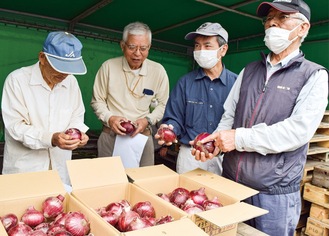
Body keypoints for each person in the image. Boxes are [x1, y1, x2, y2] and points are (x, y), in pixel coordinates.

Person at [191, 1, 329, 235]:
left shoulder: (314, 75)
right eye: (269, 18)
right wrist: (216, 144)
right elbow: (230, 116)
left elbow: (297, 132)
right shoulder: (248, 71)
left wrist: (239, 138)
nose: (272, 22)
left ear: (303, 28)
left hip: (274, 195)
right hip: (233, 185)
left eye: (283, 17)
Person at [1, 31, 90, 186]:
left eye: (70, 68)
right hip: (25, 170)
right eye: (60, 67)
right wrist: (50, 138)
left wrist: (78, 134)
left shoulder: (71, 82)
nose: (65, 74)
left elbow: (77, 115)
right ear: (42, 58)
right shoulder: (17, 80)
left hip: (60, 168)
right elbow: (15, 127)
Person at [155, 22, 237, 174]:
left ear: (223, 50)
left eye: (207, 46)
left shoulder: (237, 83)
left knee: (222, 196)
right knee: (188, 195)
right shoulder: (185, 82)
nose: (200, 50)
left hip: (225, 156)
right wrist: (169, 128)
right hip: (191, 155)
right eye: (197, 46)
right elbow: (174, 117)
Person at [91, 21, 170, 167]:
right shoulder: (108, 67)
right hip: (111, 135)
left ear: (149, 48)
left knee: (143, 181)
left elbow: (163, 104)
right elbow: (97, 101)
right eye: (132, 47)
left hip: (142, 137)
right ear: (123, 46)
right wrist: (110, 118)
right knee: (109, 182)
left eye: (143, 48)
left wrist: (148, 120)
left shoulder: (158, 71)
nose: (137, 53)